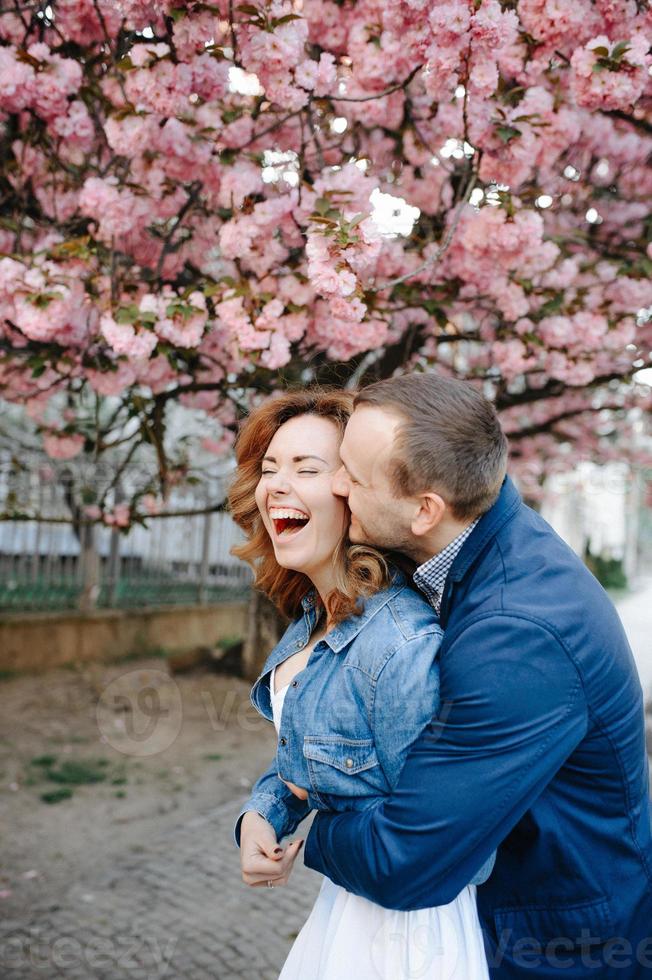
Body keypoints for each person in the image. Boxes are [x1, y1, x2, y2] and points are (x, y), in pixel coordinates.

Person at [293, 372, 652, 979]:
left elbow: (405, 861)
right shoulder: (462, 547)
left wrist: (313, 830)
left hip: (555, 949)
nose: (335, 485)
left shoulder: (519, 635)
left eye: (351, 475)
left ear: (424, 509)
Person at [229, 387, 494, 980]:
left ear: (353, 490)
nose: (275, 485)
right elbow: (307, 757)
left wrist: (319, 833)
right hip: (345, 916)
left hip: (410, 938)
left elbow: (445, 843)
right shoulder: (309, 622)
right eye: (270, 468)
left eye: (307, 468)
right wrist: (262, 815)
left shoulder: (399, 645)